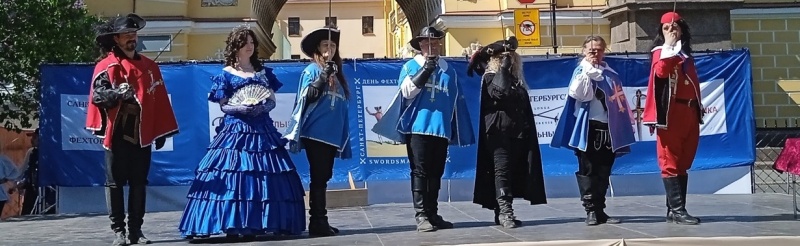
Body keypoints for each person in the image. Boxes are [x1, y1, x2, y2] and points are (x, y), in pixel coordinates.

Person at [178, 25, 306, 240]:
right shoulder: (226, 74)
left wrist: (261, 108)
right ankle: (233, 223)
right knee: (233, 174)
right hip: (235, 131)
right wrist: (241, 108)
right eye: (245, 42)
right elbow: (224, 105)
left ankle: (263, 221)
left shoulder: (263, 72)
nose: (250, 46)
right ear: (235, 46)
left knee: (267, 176)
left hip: (262, 130)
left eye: (252, 42)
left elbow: (271, 100)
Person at [86, 13, 180, 245]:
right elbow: (98, 96)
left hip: (141, 135)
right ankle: (119, 232)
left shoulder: (150, 67)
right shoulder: (106, 66)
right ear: (115, 38)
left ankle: (136, 231)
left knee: (139, 184)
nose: (131, 38)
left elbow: (159, 102)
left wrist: (161, 131)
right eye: (126, 34)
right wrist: (116, 93)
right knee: (115, 184)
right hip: (116, 135)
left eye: (133, 34)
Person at [372, 25, 475, 232]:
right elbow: (407, 92)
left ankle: (433, 212)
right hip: (417, 128)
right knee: (420, 171)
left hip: (441, 129)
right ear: (420, 45)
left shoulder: (449, 70)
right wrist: (427, 68)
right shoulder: (411, 66)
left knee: (436, 172)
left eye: (436, 42)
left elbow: (455, 100)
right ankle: (421, 215)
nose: (432, 46)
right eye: (428, 43)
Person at [550, 36, 636, 226]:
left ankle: (600, 209)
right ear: (583, 51)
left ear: (604, 51)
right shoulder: (581, 71)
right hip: (589, 128)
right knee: (588, 169)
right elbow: (579, 94)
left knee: (604, 170)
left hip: (609, 129)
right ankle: (591, 210)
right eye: (591, 50)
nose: (595, 53)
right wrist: (588, 71)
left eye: (598, 50)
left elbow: (619, 102)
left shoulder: (611, 74)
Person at [467, 36, 547, 229]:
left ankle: (501, 211)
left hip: (518, 133)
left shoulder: (517, 81)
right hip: (497, 133)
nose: (508, 58)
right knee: (501, 171)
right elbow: (498, 93)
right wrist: (502, 69)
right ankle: (505, 212)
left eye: (510, 55)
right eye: (503, 56)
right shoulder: (489, 78)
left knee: (511, 172)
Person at [284, 25, 350, 237]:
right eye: (325, 45)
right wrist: (323, 76)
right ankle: (317, 221)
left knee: (325, 175)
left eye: (332, 45)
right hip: (316, 132)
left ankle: (321, 219)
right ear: (318, 49)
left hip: (331, 134)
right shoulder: (312, 70)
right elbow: (308, 96)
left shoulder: (338, 74)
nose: (329, 49)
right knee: (319, 176)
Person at [642, 11, 703, 225]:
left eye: (675, 26)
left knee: (684, 161)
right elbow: (661, 72)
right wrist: (668, 46)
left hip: (690, 112)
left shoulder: (685, 55)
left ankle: (673, 209)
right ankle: (678, 210)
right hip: (671, 113)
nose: (672, 30)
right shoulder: (661, 52)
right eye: (667, 28)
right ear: (661, 32)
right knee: (670, 161)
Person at [20, 129, 40, 215]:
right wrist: (21, 182)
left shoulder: (50, 154)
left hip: (44, 192)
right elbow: (25, 170)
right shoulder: (32, 152)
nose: (32, 140)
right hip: (31, 189)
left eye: (35, 137)